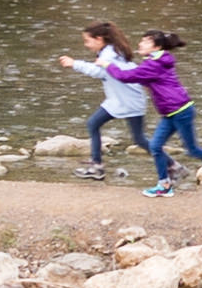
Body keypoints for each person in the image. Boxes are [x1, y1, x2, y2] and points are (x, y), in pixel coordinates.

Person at [109, 31, 202, 196]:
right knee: (155, 146)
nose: (140, 44)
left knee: (192, 150)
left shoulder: (154, 64)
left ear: (157, 46)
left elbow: (126, 76)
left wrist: (107, 65)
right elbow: (141, 77)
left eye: (145, 41)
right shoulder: (156, 61)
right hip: (171, 112)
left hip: (180, 110)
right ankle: (164, 185)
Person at [57, 24, 154, 179]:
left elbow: (98, 72)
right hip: (126, 98)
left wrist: (74, 64)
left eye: (87, 41)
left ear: (99, 39)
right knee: (135, 137)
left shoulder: (109, 55)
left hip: (126, 100)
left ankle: (97, 167)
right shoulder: (113, 50)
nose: (86, 45)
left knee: (136, 138)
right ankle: (173, 166)